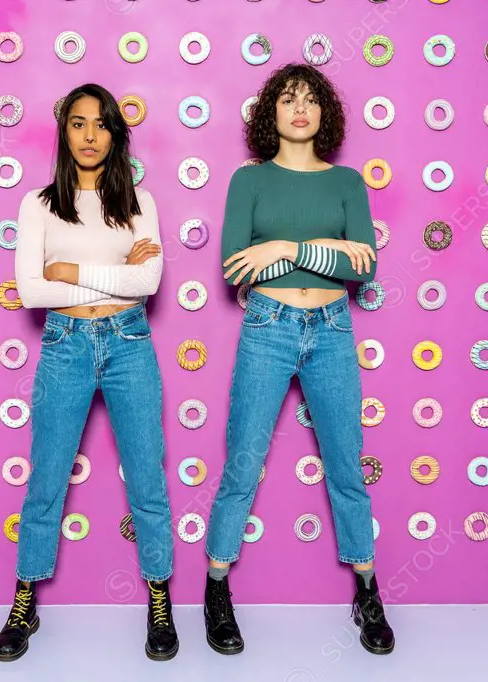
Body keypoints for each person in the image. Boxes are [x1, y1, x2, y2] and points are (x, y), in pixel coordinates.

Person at [203, 63, 395, 656]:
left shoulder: (347, 182)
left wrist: (285, 249)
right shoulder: (249, 181)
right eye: (288, 99)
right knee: (243, 458)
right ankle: (215, 587)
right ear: (272, 113)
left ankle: (367, 589)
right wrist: (332, 250)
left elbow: (366, 267)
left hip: (334, 328)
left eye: (310, 99)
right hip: (268, 327)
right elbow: (236, 262)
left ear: (325, 113)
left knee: (346, 461)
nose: (300, 108)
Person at [0, 83, 178, 662]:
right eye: (78, 123)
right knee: (45, 478)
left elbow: (146, 284)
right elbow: (31, 289)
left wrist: (69, 266)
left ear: (116, 133)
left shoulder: (141, 202)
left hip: (129, 343)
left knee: (147, 478)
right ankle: (25, 599)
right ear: (64, 131)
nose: (90, 135)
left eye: (100, 124)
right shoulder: (37, 204)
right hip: (65, 344)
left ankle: (159, 596)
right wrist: (112, 268)